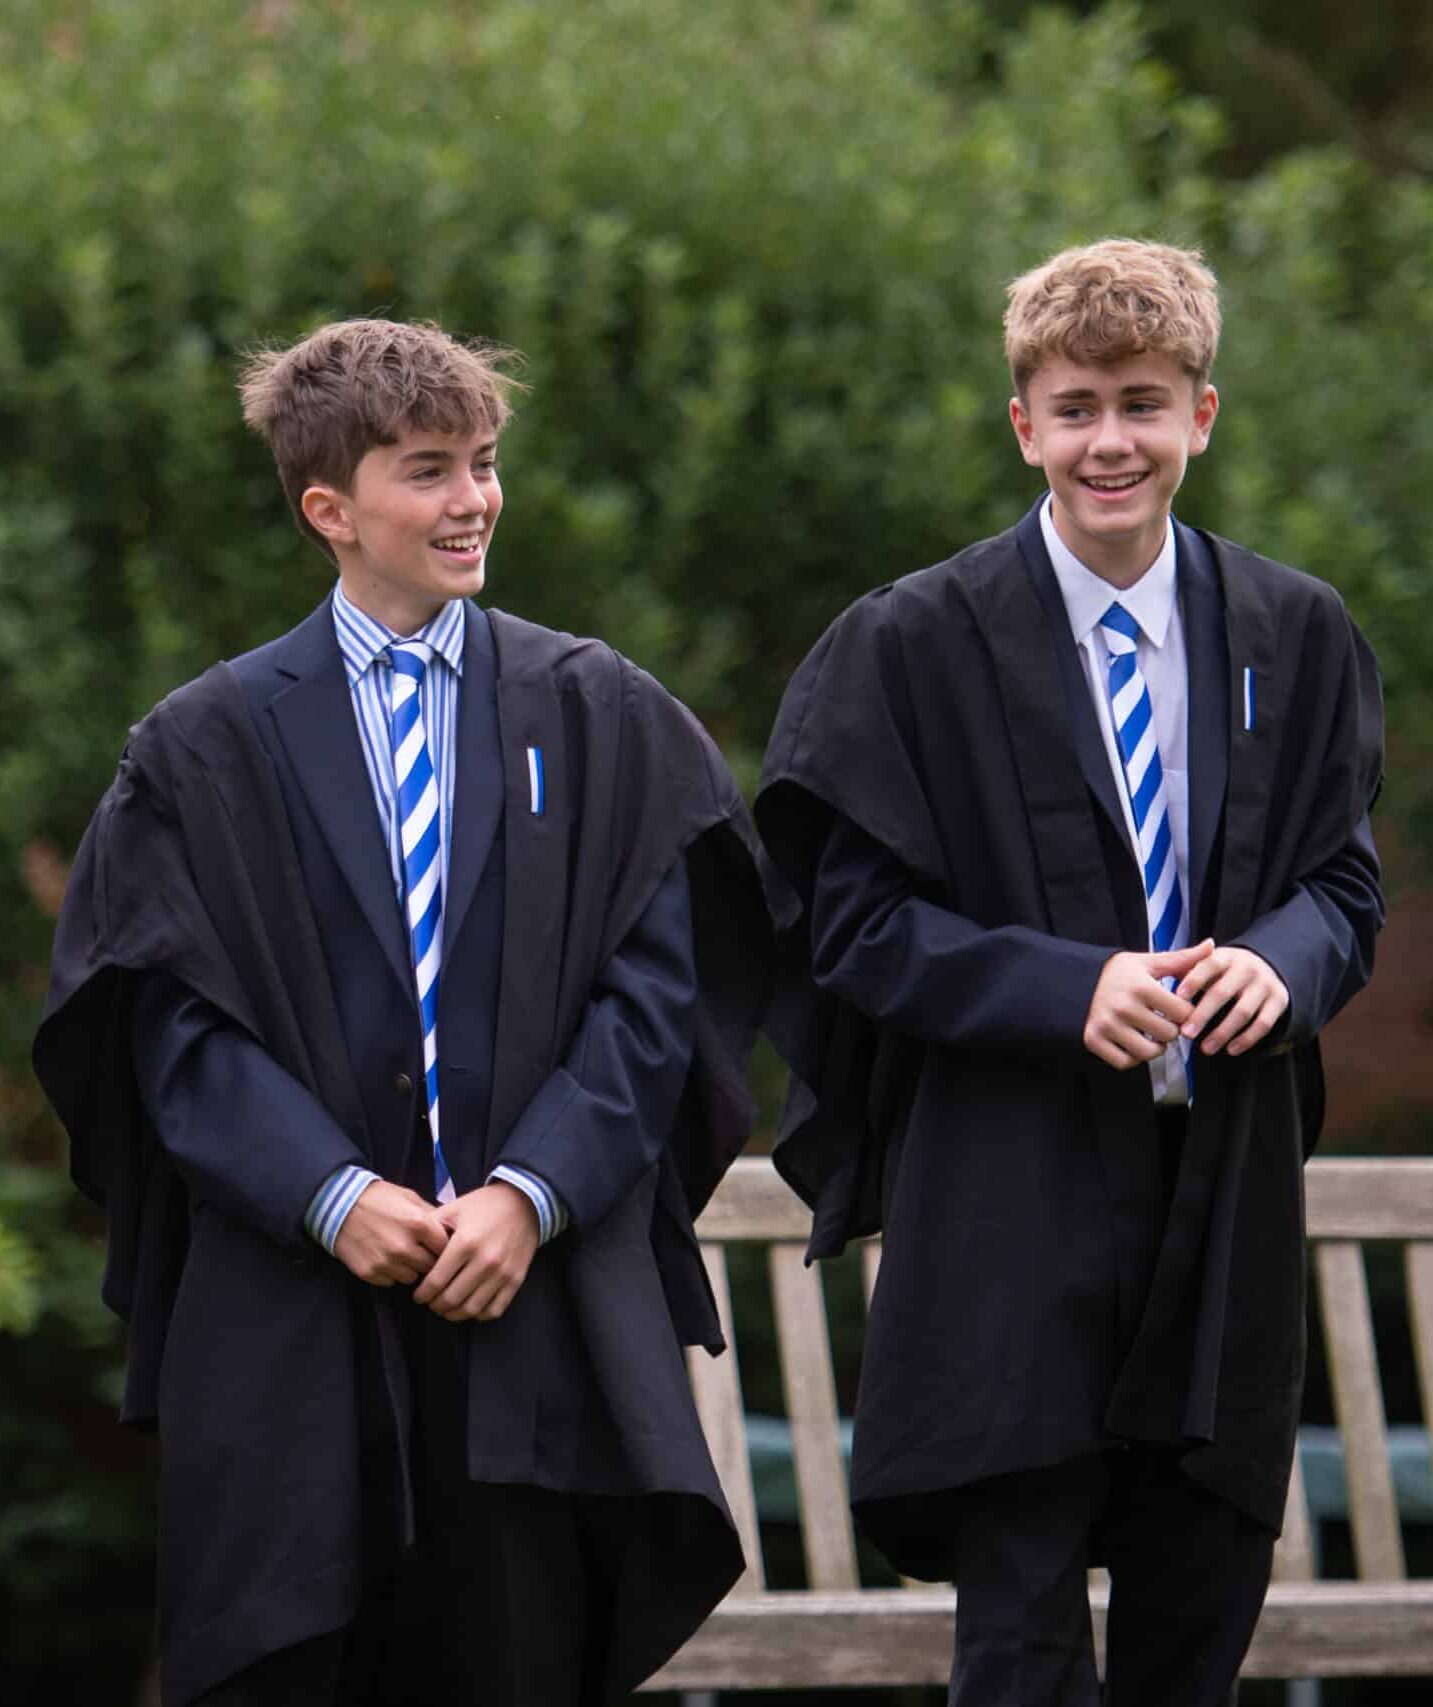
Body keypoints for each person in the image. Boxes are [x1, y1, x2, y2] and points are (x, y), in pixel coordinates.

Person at [34, 318, 770, 1707]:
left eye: (482, 465)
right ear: (331, 510)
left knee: (519, 1651)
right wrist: (327, 1192)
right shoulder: (205, 746)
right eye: (427, 471)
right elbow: (162, 1024)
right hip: (298, 1306)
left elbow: (658, 992)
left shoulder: (596, 713)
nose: (472, 500)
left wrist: (531, 1193)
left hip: (534, 1303)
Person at [755, 240, 1383, 1706]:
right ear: (1022, 423)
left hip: (1218, 1173)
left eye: (1144, 405)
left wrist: (1281, 967)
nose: (1112, 441)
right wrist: (1062, 988)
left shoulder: (1294, 633)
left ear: (1202, 419)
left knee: (1197, 1607)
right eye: (1079, 405)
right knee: (1020, 1627)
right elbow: (841, 926)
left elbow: (1342, 885)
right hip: (1009, 1179)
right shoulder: (908, 643)